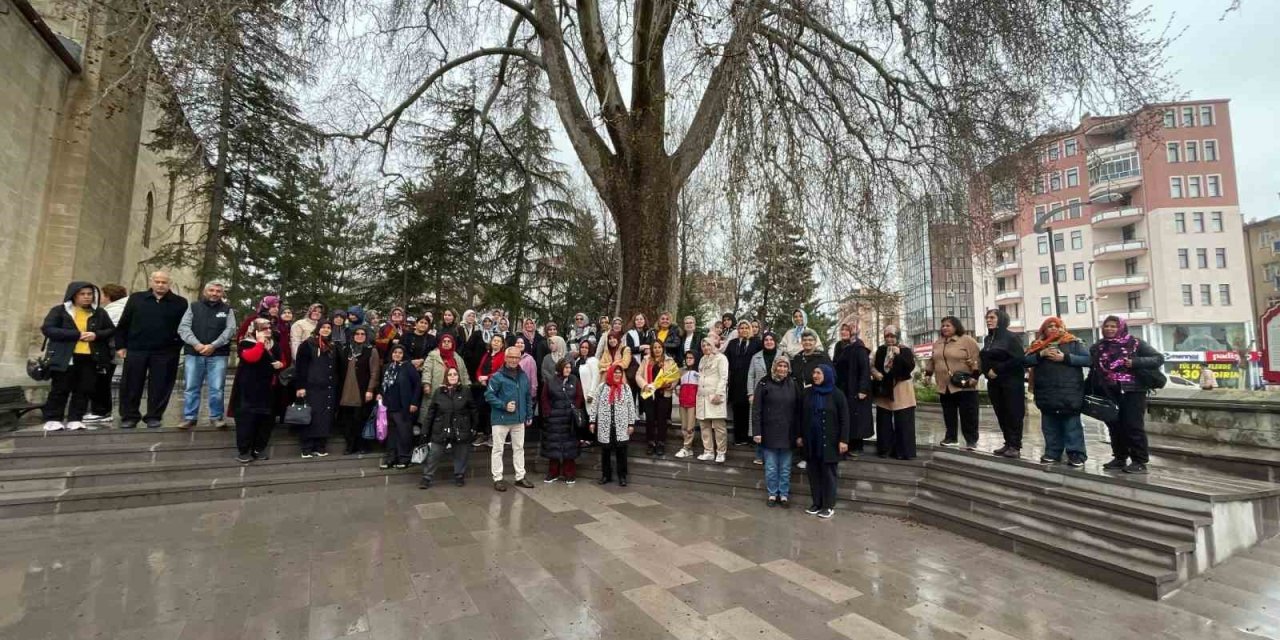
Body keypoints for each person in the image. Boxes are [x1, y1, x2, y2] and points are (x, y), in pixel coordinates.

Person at [1090, 316, 1165, 474]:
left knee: (1133, 425)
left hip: (1133, 390)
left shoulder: (1135, 343)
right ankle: (1120, 457)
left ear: (1121, 328)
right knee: (1114, 425)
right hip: (1109, 391)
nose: (1109, 329)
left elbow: (1158, 358)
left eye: (1113, 326)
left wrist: (1135, 362)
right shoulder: (1098, 347)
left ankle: (1139, 461)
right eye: (1106, 326)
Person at [113, 271, 188, 429]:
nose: (160, 285)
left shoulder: (180, 303)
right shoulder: (137, 299)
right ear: (151, 282)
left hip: (165, 352)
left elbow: (184, 327)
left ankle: (154, 416)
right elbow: (124, 323)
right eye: (157, 281)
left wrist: (176, 347)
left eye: (164, 282)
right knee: (131, 384)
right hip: (137, 349)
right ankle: (129, 416)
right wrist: (120, 345)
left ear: (169, 284)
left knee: (161, 386)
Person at [39, 282, 116, 431]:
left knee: (84, 389)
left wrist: (96, 335)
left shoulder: (99, 313)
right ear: (74, 296)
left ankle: (76, 418)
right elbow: (48, 329)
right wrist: (76, 335)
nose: (87, 297)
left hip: (90, 357)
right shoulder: (60, 311)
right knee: (60, 388)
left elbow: (110, 330)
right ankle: (53, 419)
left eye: (89, 294)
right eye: (82, 294)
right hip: (65, 356)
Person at [1024, 316, 1089, 467]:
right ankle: (1052, 452)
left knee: (1072, 425)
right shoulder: (1037, 345)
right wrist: (1041, 354)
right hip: (1046, 392)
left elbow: (1087, 360)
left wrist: (1065, 358)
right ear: (1044, 330)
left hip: (1069, 392)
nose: (1053, 328)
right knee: (1049, 426)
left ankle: (1076, 454)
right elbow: (1025, 361)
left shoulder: (1073, 342)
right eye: (1050, 326)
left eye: (1056, 325)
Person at [177, 282, 237, 430]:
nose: (214, 293)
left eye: (218, 291)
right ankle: (190, 417)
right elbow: (183, 328)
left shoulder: (227, 310)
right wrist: (196, 344)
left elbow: (230, 330)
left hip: (218, 354)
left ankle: (216, 417)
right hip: (194, 353)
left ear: (222, 293)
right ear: (205, 291)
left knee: (217, 388)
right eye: (211, 290)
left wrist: (213, 345)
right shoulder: (193, 307)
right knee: (191, 387)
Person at [751, 354, 801, 508]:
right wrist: (757, 432)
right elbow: (756, 409)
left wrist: (799, 434)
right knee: (771, 468)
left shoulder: (793, 383)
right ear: (774, 367)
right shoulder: (764, 382)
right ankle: (772, 494)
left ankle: (784, 495)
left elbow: (799, 410)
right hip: (769, 432)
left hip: (788, 433)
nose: (782, 369)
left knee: (785, 468)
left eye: (785, 366)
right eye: (780, 365)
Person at [799, 364, 849, 518]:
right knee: (813, 473)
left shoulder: (837, 394)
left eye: (819, 373)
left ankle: (828, 506)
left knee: (828, 474)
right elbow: (800, 416)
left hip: (830, 442)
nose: (815, 376)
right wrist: (800, 435)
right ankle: (817, 503)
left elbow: (845, 419)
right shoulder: (808, 393)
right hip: (812, 441)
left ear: (827, 375)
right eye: (814, 373)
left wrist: (844, 440)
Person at [924, 316, 981, 450]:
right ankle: (951, 438)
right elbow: (932, 360)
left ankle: (971, 441)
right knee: (949, 413)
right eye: (943, 326)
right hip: (945, 385)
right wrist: (928, 374)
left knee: (968, 414)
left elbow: (977, 359)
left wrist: (975, 376)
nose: (944, 328)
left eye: (948, 325)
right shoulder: (938, 343)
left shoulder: (967, 341)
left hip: (964, 385)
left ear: (956, 326)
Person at [484, 347, 536, 491]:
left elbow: (527, 397)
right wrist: (504, 405)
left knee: (519, 448)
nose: (514, 360)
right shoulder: (497, 376)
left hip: (519, 420)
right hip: (500, 420)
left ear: (520, 358)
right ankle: (498, 478)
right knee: (498, 449)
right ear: (506, 358)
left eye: (516, 357)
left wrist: (529, 414)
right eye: (511, 357)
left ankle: (520, 476)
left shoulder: (523, 376)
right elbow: (488, 396)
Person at [233, 318, 284, 463]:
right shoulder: (246, 343)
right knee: (247, 420)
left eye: (269, 328)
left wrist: (280, 364)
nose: (268, 331)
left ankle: (259, 448)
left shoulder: (274, 344)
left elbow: (282, 360)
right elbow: (251, 357)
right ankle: (244, 450)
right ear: (255, 330)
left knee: (266, 420)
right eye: (264, 329)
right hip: (249, 389)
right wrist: (260, 343)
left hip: (267, 388)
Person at [981, 309, 1027, 458]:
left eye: (992, 317)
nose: (988, 320)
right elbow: (985, 358)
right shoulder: (988, 339)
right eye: (987, 318)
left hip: (1011, 382)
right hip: (994, 383)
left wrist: (997, 369)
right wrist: (986, 371)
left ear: (1001, 319)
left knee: (1013, 413)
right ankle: (1008, 442)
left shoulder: (1011, 337)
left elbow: (1018, 359)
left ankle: (1015, 445)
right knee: (1001, 413)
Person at [419, 366, 474, 488]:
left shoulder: (465, 391)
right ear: (446, 377)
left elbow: (473, 410)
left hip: (460, 427)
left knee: (461, 453)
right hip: (441, 427)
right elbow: (431, 413)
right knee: (434, 453)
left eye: (455, 374)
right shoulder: (438, 392)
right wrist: (425, 430)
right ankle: (426, 478)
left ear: (458, 376)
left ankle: (459, 475)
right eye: (450, 374)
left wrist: (474, 427)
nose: (453, 376)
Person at [294, 319, 341, 458]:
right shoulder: (307, 344)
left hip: (328, 387)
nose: (326, 330)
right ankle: (306, 447)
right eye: (323, 327)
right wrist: (300, 386)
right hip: (311, 387)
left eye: (328, 328)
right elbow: (300, 367)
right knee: (311, 416)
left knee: (325, 418)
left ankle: (320, 446)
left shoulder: (333, 346)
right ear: (318, 329)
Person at [872, 326, 917, 460]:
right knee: (884, 422)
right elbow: (873, 366)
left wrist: (899, 354)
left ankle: (904, 452)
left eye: (892, 336)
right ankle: (885, 450)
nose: (889, 339)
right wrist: (876, 373)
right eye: (887, 336)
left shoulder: (905, 350)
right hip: (884, 389)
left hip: (901, 389)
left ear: (898, 337)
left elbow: (910, 367)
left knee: (903, 421)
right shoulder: (880, 350)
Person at [86, 283, 128, 423]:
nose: (101, 298)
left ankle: (101, 411)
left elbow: (109, 329)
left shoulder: (115, 310)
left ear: (109, 296)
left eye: (103, 295)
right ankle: (101, 410)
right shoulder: (119, 307)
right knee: (102, 381)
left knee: (101, 381)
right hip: (111, 351)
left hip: (108, 351)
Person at [589, 364, 637, 485]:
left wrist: (631, 423)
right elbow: (594, 405)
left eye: (619, 372)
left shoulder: (625, 388)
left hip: (621, 426)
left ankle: (622, 476)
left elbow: (631, 407)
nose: (617, 375)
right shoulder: (602, 387)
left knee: (621, 452)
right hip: (605, 426)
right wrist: (592, 421)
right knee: (605, 452)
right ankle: (606, 475)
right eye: (615, 372)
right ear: (610, 373)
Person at [376, 344, 422, 469]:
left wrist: (414, 403)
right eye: (395, 352)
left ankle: (404, 458)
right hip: (388, 406)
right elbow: (383, 384)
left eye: (400, 353)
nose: (397, 354)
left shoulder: (408, 367)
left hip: (403, 406)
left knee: (404, 433)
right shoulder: (387, 367)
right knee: (391, 434)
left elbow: (417, 385)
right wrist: (380, 393)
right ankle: (391, 458)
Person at [337, 326, 381, 455]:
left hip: (362, 390)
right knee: (347, 420)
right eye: (357, 333)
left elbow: (375, 372)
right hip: (346, 390)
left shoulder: (371, 350)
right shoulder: (346, 349)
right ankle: (350, 445)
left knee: (360, 419)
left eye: (363, 334)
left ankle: (362, 445)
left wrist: (370, 389)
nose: (360, 336)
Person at [832, 323, 873, 455]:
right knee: (844, 415)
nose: (844, 332)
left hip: (855, 388)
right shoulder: (839, 346)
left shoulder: (859, 347)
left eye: (847, 330)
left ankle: (857, 446)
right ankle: (845, 443)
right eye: (842, 330)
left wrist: (863, 389)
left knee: (856, 417)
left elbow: (865, 369)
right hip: (842, 387)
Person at [542, 359, 585, 483]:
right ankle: (553, 473)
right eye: (566, 367)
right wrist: (548, 413)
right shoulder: (551, 381)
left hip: (569, 420)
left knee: (569, 448)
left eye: (569, 367)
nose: (568, 370)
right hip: (554, 419)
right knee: (554, 447)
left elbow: (579, 396)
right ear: (560, 368)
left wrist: (575, 409)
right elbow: (544, 397)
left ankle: (569, 474)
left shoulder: (574, 380)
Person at [636, 340, 679, 457]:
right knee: (649, 419)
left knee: (662, 420)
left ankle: (660, 443)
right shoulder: (646, 360)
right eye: (655, 347)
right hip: (649, 394)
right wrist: (644, 385)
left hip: (663, 394)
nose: (657, 349)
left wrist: (670, 385)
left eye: (659, 347)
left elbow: (675, 376)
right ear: (652, 349)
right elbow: (638, 375)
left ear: (663, 348)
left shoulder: (669, 360)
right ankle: (650, 443)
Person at [724, 320, 761, 446]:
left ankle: (749, 437)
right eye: (741, 328)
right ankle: (738, 438)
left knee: (748, 409)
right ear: (738, 330)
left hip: (750, 380)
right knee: (737, 408)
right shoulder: (732, 343)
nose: (744, 330)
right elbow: (725, 360)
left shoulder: (756, 343)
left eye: (746, 328)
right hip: (735, 380)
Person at [696, 337, 729, 463]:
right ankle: (708, 451)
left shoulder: (721, 358)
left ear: (713, 345)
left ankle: (721, 452)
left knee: (719, 426)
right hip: (702, 396)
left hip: (715, 395)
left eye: (708, 345)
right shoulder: (702, 359)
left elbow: (723, 377)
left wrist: (719, 393)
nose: (706, 347)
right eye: (703, 346)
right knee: (704, 425)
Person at [474, 334, 508, 448]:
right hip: (483, 387)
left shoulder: (503, 356)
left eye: (499, 341)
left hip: (496, 388)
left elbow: (501, 371)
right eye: (494, 340)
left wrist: (487, 378)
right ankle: (484, 434)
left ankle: (493, 436)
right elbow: (479, 368)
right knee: (482, 410)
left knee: (492, 411)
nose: (496, 343)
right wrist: (480, 378)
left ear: (502, 344)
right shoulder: (486, 354)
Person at [423, 333, 471, 397]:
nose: (446, 343)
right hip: (436, 390)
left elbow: (464, 373)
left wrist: (467, 386)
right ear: (440, 343)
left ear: (452, 344)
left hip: (455, 392)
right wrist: (426, 384)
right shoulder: (432, 356)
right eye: (444, 341)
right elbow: (427, 371)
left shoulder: (458, 358)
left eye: (449, 341)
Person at [674, 351, 700, 458]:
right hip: (682, 402)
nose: (688, 359)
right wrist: (677, 388)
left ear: (695, 359)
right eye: (687, 358)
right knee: (684, 426)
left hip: (693, 403)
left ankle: (686, 447)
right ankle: (688, 448)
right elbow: (676, 385)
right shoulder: (681, 372)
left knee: (690, 427)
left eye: (691, 358)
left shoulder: (698, 372)